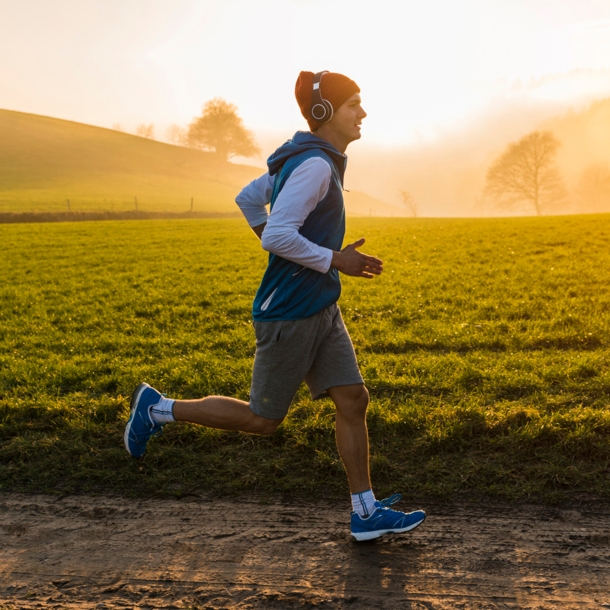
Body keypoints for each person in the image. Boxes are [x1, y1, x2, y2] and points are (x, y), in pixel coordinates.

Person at [123, 70, 426, 541]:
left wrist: (309, 258)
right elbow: (280, 235)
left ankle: (365, 513)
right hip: (290, 312)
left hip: (319, 305)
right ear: (325, 113)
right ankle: (158, 409)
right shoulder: (314, 166)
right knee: (263, 420)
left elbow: (248, 200)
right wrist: (334, 259)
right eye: (354, 105)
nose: (363, 113)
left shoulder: (306, 159)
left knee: (353, 399)